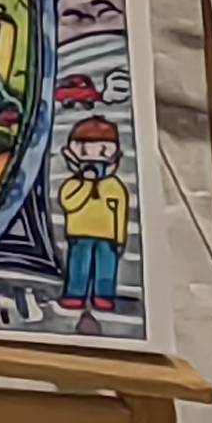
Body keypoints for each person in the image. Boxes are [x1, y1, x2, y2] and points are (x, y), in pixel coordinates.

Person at [56, 118, 129, 312]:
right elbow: (69, 203)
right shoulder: (72, 184)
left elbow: (120, 213)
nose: (94, 162)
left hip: (107, 237)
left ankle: (103, 295)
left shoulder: (115, 187)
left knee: (106, 268)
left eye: (103, 153)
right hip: (79, 234)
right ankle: (75, 294)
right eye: (84, 152)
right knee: (79, 266)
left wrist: (120, 239)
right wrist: (87, 184)